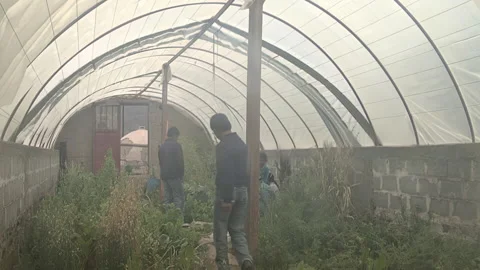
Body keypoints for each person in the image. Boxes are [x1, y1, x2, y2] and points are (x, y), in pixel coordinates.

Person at [210, 113, 254, 270]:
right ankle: (246, 260)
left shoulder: (222, 147)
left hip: (228, 192)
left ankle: (223, 265)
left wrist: (227, 199)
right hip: (243, 191)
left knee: (221, 230)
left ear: (216, 129)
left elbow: (225, 172)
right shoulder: (242, 144)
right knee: (237, 230)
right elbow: (247, 169)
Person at [158, 127, 185, 217]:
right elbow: (180, 162)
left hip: (165, 176)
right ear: (174, 135)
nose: (177, 138)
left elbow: (160, 162)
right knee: (178, 197)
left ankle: (167, 219)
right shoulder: (176, 146)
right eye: (177, 136)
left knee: (167, 198)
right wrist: (181, 175)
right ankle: (178, 220)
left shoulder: (162, 147)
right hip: (175, 175)